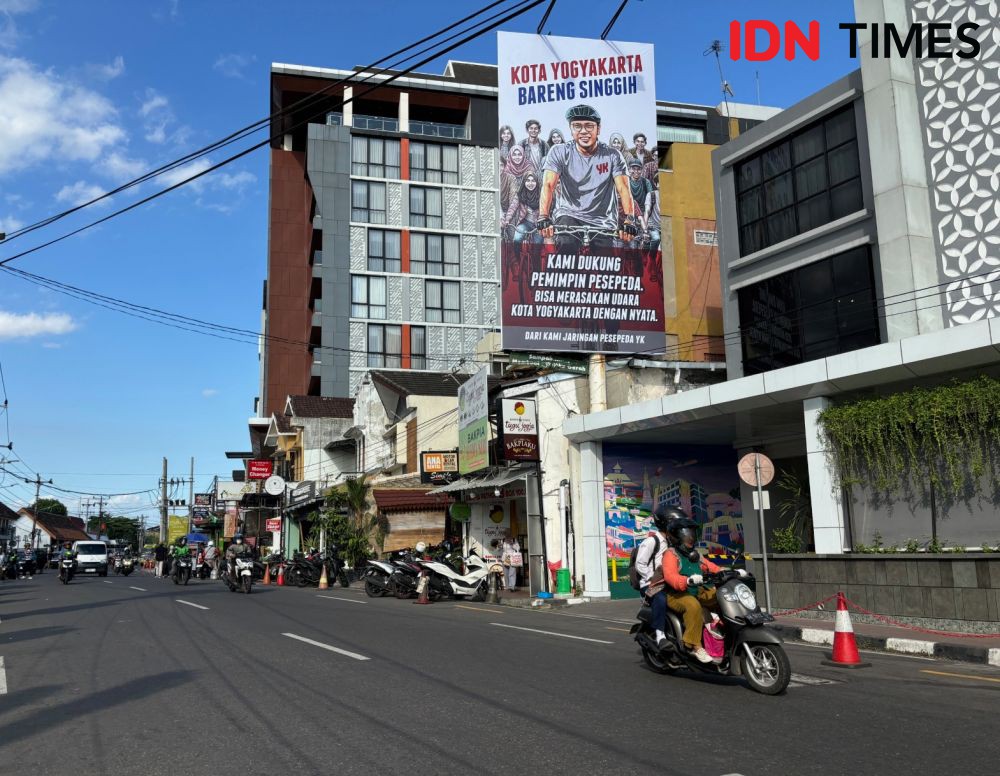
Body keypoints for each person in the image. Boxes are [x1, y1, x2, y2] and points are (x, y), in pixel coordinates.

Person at [537, 104, 638, 251]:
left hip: (603, 221)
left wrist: (629, 220)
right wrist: (543, 217)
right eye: (577, 126)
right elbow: (548, 185)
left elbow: (623, 188)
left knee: (605, 264)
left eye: (589, 126)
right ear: (571, 130)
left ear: (599, 129)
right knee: (566, 250)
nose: (583, 131)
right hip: (569, 214)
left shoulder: (612, 155)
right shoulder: (559, 152)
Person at [663, 514, 749, 663]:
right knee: (693, 606)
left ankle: (730, 630)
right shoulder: (671, 555)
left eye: (692, 534)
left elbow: (711, 567)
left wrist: (729, 571)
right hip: (677, 594)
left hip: (698, 591)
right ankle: (694, 646)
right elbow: (670, 576)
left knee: (723, 596)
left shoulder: (695, 554)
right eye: (686, 535)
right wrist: (687, 580)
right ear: (676, 537)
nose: (690, 538)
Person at [635, 506, 675, 648]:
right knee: (660, 599)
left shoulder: (671, 543)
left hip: (668, 581)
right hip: (650, 584)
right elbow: (640, 564)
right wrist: (652, 578)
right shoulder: (652, 541)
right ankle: (660, 635)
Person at [500, 145, 533, 217]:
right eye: (514, 155)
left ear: (523, 155)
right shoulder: (506, 167)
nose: (517, 157)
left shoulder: (529, 167)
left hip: (525, 200)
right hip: (505, 204)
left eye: (519, 154)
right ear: (510, 155)